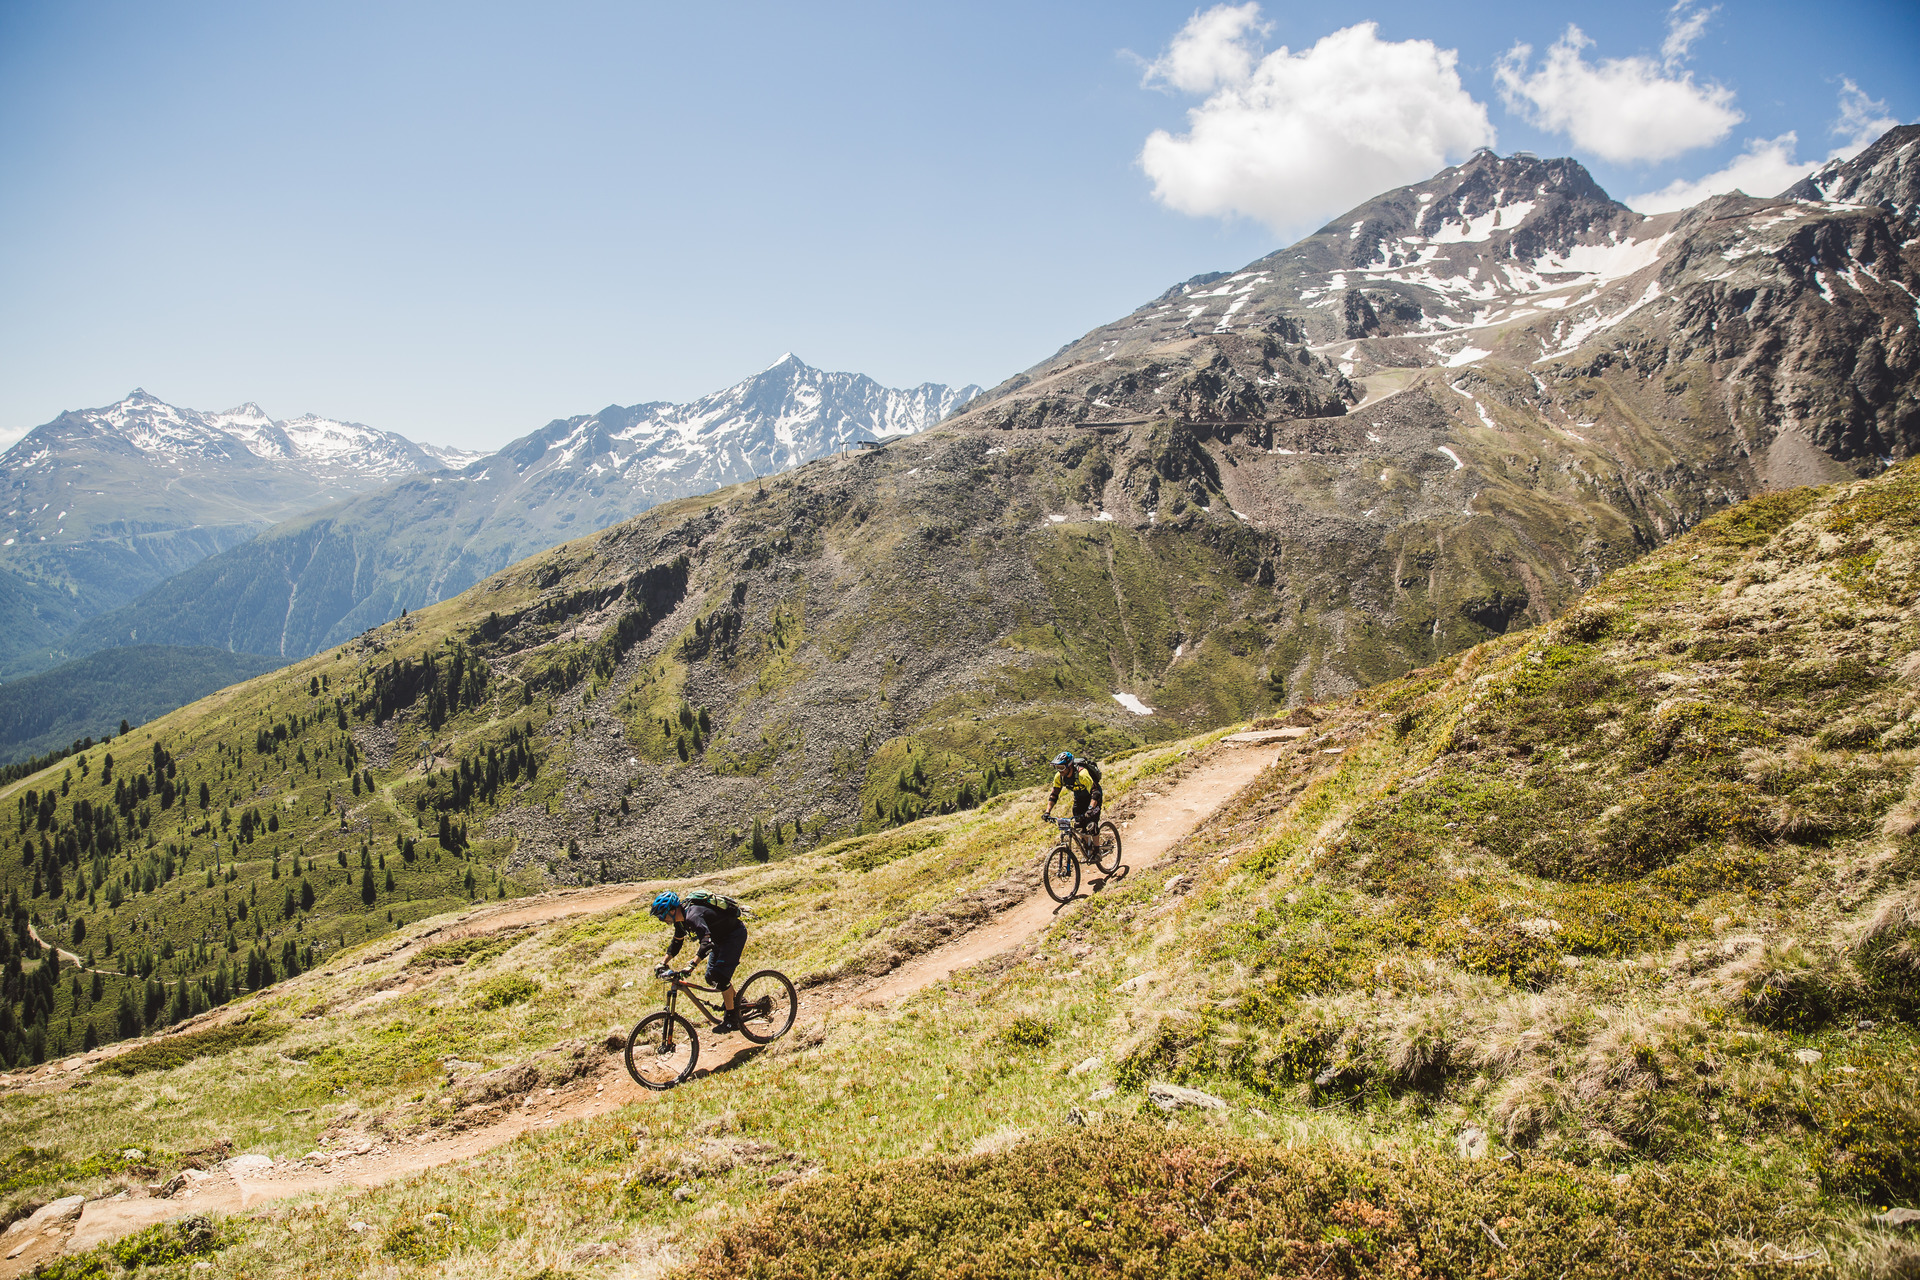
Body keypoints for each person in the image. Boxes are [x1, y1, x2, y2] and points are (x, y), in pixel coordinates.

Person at [650, 891, 747, 1033]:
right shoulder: (681, 921)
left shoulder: (692, 916)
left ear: (672, 910)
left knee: (720, 977)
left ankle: (732, 1020)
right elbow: (676, 944)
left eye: (661, 915)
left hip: (734, 935)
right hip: (719, 939)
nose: (661, 919)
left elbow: (706, 944)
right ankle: (739, 1001)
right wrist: (663, 963)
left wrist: (692, 965)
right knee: (710, 977)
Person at [1041, 750, 1103, 830]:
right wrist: (1047, 812)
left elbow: (1095, 793)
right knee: (1078, 826)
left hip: (1093, 798)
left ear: (1069, 766)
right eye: (1057, 768)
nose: (1060, 771)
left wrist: (1091, 809)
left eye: (1062, 768)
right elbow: (1054, 795)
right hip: (1079, 799)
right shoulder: (1059, 777)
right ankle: (1085, 842)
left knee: (1092, 827)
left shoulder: (1082, 774)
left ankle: (1096, 842)